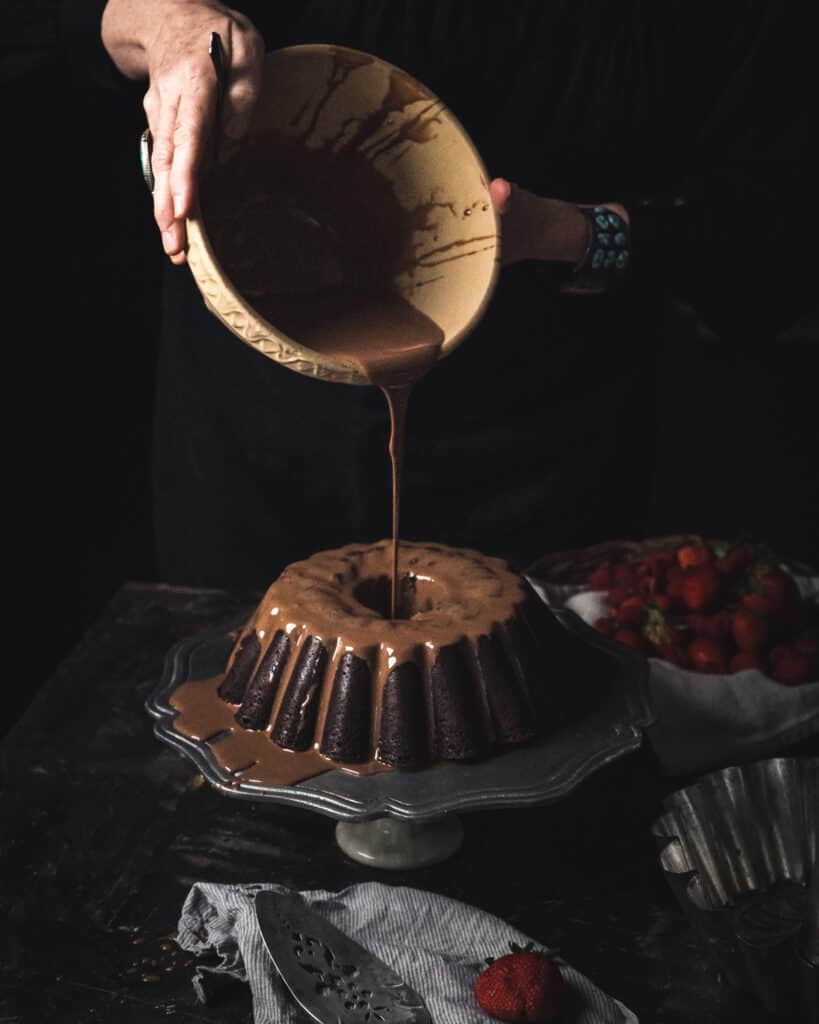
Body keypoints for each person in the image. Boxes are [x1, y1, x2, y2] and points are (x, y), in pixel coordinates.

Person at [58, 0, 817, 589]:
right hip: (249, 434)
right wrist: (170, 26)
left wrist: (573, 234)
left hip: (542, 448)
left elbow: (774, 217)